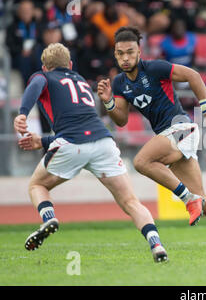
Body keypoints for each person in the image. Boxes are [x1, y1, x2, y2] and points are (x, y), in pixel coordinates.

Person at [96, 26, 206, 248]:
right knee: (201, 199)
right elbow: (121, 120)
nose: (125, 57)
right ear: (115, 54)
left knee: (141, 162)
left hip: (179, 127)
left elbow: (192, 75)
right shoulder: (118, 83)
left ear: (139, 51)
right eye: (120, 53)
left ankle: (187, 199)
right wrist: (108, 102)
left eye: (130, 52)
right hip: (171, 135)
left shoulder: (155, 68)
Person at [13, 43, 168, 263]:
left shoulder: (43, 76)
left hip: (71, 144)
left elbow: (37, 83)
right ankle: (157, 245)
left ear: (44, 66)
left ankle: (49, 218)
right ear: (70, 64)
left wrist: (22, 114)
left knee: (37, 185)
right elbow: (82, 124)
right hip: (103, 142)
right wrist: (45, 141)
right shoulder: (80, 81)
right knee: (131, 202)